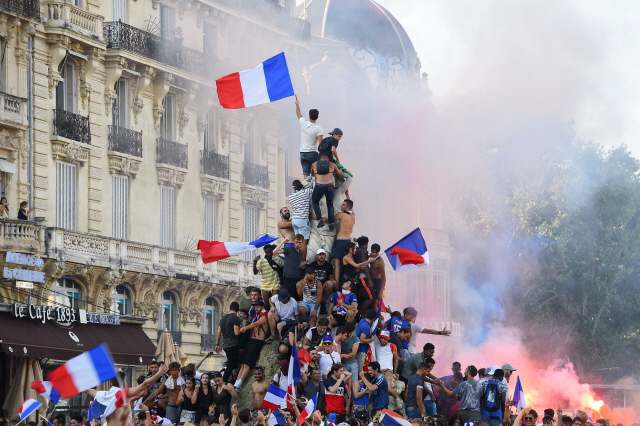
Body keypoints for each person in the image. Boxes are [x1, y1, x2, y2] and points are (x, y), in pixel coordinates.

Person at [88, 363, 169, 426]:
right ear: (123, 383)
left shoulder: (101, 395)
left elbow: (87, 390)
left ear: (110, 383)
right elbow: (145, 384)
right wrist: (159, 373)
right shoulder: (125, 394)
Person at [235, 299, 269, 390]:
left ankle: (239, 385)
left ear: (262, 307)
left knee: (247, 365)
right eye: (255, 307)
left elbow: (256, 324)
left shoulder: (264, 317)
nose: (256, 308)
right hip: (251, 340)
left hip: (257, 341)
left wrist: (246, 327)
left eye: (257, 307)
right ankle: (236, 383)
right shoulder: (256, 316)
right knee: (243, 364)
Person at [310, 154, 342, 231]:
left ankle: (320, 219)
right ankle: (331, 223)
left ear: (319, 159)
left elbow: (312, 174)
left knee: (315, 202)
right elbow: (339, 173)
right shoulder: (332, 164)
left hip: (319, 186)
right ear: (328, 160)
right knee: (330, 204)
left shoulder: (314, 164)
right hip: (329, 186)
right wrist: (340, 169)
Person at [215, 302, 242, 383]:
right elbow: (236, 332)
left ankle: (228, 378)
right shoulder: (235, 318)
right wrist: (243, 329)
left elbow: (218, 332)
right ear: (237, 309)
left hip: (225, 345)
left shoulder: (223, 319)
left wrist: (217, 344)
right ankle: (224, 381)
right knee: (232, 365)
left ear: (230, 308)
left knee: (232, 363)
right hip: (233, 344)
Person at [295, 99, 323, 178]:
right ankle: (314, 189)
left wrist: (297, 104)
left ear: (309, 116)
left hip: (303, 153)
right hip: (312, 153)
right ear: (317, 117)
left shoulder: (304, 123)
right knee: (315, 173)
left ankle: (306, 189)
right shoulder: (318, 128)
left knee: (306, 174)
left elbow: (298, 114)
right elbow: (321, 144)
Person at [274, 234, 305, 300]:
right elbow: (275, 252)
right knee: (288, 296)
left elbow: (298, 265)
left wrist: (306, 263)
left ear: (302, 243)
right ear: (294, 241)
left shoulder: (300, 252)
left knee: (295, 297)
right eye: (296, 242)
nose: (298, 244)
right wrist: (283, 242)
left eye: (299, 242)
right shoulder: (289, 249)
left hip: (297, 277)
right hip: (288, 277)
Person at [332, 199, 356, 281]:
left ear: (348, 207)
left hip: (340, 241)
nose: (341, 206)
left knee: (337, 263)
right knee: (346, 263)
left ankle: (337, 284)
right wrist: (348, 194)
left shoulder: (341, 215)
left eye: (343, 205)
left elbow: (331, 219)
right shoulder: (353, 216)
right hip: (348, 241)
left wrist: (316, 217)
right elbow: (351, 209)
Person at [289, 179, 313, 258]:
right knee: (303, 242)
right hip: (302, 220)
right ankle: (302, 260)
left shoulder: (291, 197)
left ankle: (296, 259)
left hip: (294, 220)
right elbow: (315, 191)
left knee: (297, 241)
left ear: (293, 188)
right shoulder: (306, 192)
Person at [355, 309, 377, 373]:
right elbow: (361, 340)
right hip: (362, 350)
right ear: (373, 319)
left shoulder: (362, 320)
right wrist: (371, 339)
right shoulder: (367, 327)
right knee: (360, 371)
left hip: (358, 349)